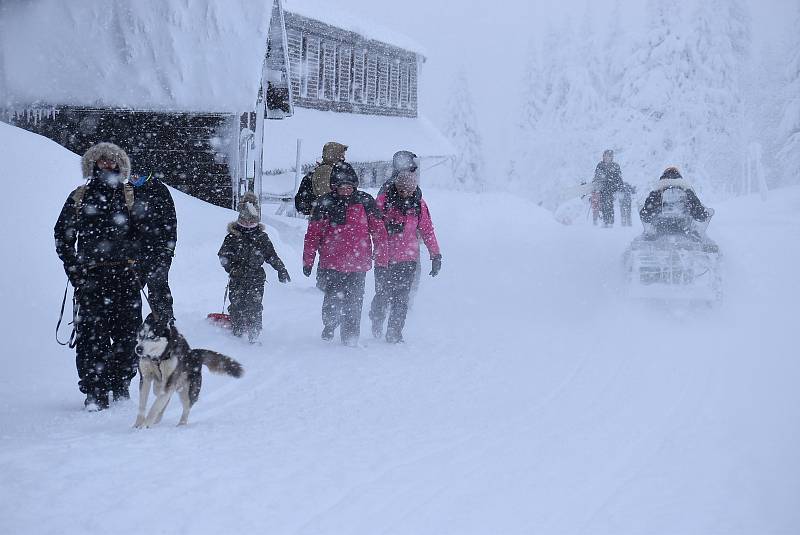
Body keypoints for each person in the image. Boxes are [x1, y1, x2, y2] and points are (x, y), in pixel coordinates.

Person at [54, 142, 143, 410]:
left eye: (112, 160)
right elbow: (63, 237)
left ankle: (120, 384)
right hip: (91, 279)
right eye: (102, 160)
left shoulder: (131, 197)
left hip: (126, 278)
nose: (107, 164)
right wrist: (75, 272)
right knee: (92, 338)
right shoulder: (79, 197)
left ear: (120, 164)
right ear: (93, 164)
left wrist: (141, 271)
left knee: (128, 336)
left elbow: (146, 238)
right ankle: (95, 390)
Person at [302, 162, 388, 346]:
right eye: (341, 187)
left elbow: (379, 231)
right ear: (334, 186)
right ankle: (330, 324)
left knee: (354, 302)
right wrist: (308, 261)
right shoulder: (325, 203)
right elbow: (313, 235)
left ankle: (350, 336)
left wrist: (382, 256)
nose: (346, 190)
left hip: (358, 264)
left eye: (349, 187)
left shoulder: (365, 201)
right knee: (332, 299)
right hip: (332, 263)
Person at [369, 170, 441, 343]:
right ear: (396, 187)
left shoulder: (419, 205)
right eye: (402, 190)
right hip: (384, 258)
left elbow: (427, 230)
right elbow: (371, 226)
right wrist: (385, 231)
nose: (405, 194)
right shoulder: (383, 202)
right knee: (382, 295)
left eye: (409, 191)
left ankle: (394, 332)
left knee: (401, 299)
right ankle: (377, 320)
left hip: (408, 259)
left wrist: (436, 255)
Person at [218, 192, 290, 343]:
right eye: (245, 221)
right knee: (237, 303)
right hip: (237, 277)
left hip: (256, 278)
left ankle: (254, 331)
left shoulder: (261, 238)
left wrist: (281, 269)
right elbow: (223, 256)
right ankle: (237, 330)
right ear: (240, 219)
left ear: (257, 220)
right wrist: (231, 268)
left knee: (254, 305)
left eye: (252, 221)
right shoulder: (232, 237)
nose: (248, 224)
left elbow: (271, 256)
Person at [129, 171, 177, 332]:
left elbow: (170, 222)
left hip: (158, 250)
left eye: (137, 174)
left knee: (158, 287)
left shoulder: (159, 190)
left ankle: (165, 324)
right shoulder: (125, 190)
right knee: (130, 289)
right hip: (131, 253)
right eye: (131, 175)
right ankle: (131, 326)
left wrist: (168, 249)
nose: (134, 178)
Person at [639, 167, 712, 234]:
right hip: (685, 232)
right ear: (679, 178)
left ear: (663, 178)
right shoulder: (687, 191)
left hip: (660, 232)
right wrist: (705, 213)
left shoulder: (657, 191)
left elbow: (645, 216)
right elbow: (701, 216)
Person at [294, 141, 348, 216]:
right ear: (333, 155)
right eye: (341, 155)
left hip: (320, 211)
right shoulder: (325, 170)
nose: (343, 158)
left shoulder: (327, 168)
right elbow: (326, 194)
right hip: (322, 213)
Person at [592, 149, 623, 227]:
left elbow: (618, 178)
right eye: (604, 156)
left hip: (612, 187)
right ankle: (605, 220)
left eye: (608, 156)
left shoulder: (615, 166)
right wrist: (595, 183)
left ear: (611, 157)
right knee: (603, 203)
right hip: (603, 187)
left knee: (608, 202)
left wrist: (619, 188)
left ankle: (609, 221)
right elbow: (597, 176)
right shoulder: (600, 165)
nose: (605, 157)